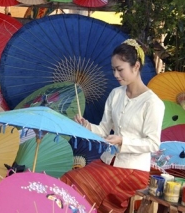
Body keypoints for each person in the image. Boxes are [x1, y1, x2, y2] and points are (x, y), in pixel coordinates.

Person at [61, 39, 165, 212]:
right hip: (109, 161)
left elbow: (153, 143)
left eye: (120, 69)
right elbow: (102, 129)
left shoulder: (152, 103)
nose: (116, 75)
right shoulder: (116, 94)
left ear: (136, 66)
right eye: (113, 70)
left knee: (80, 186)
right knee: (68, 180)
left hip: (133, 169)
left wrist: (122, 141)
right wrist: (86, 125)